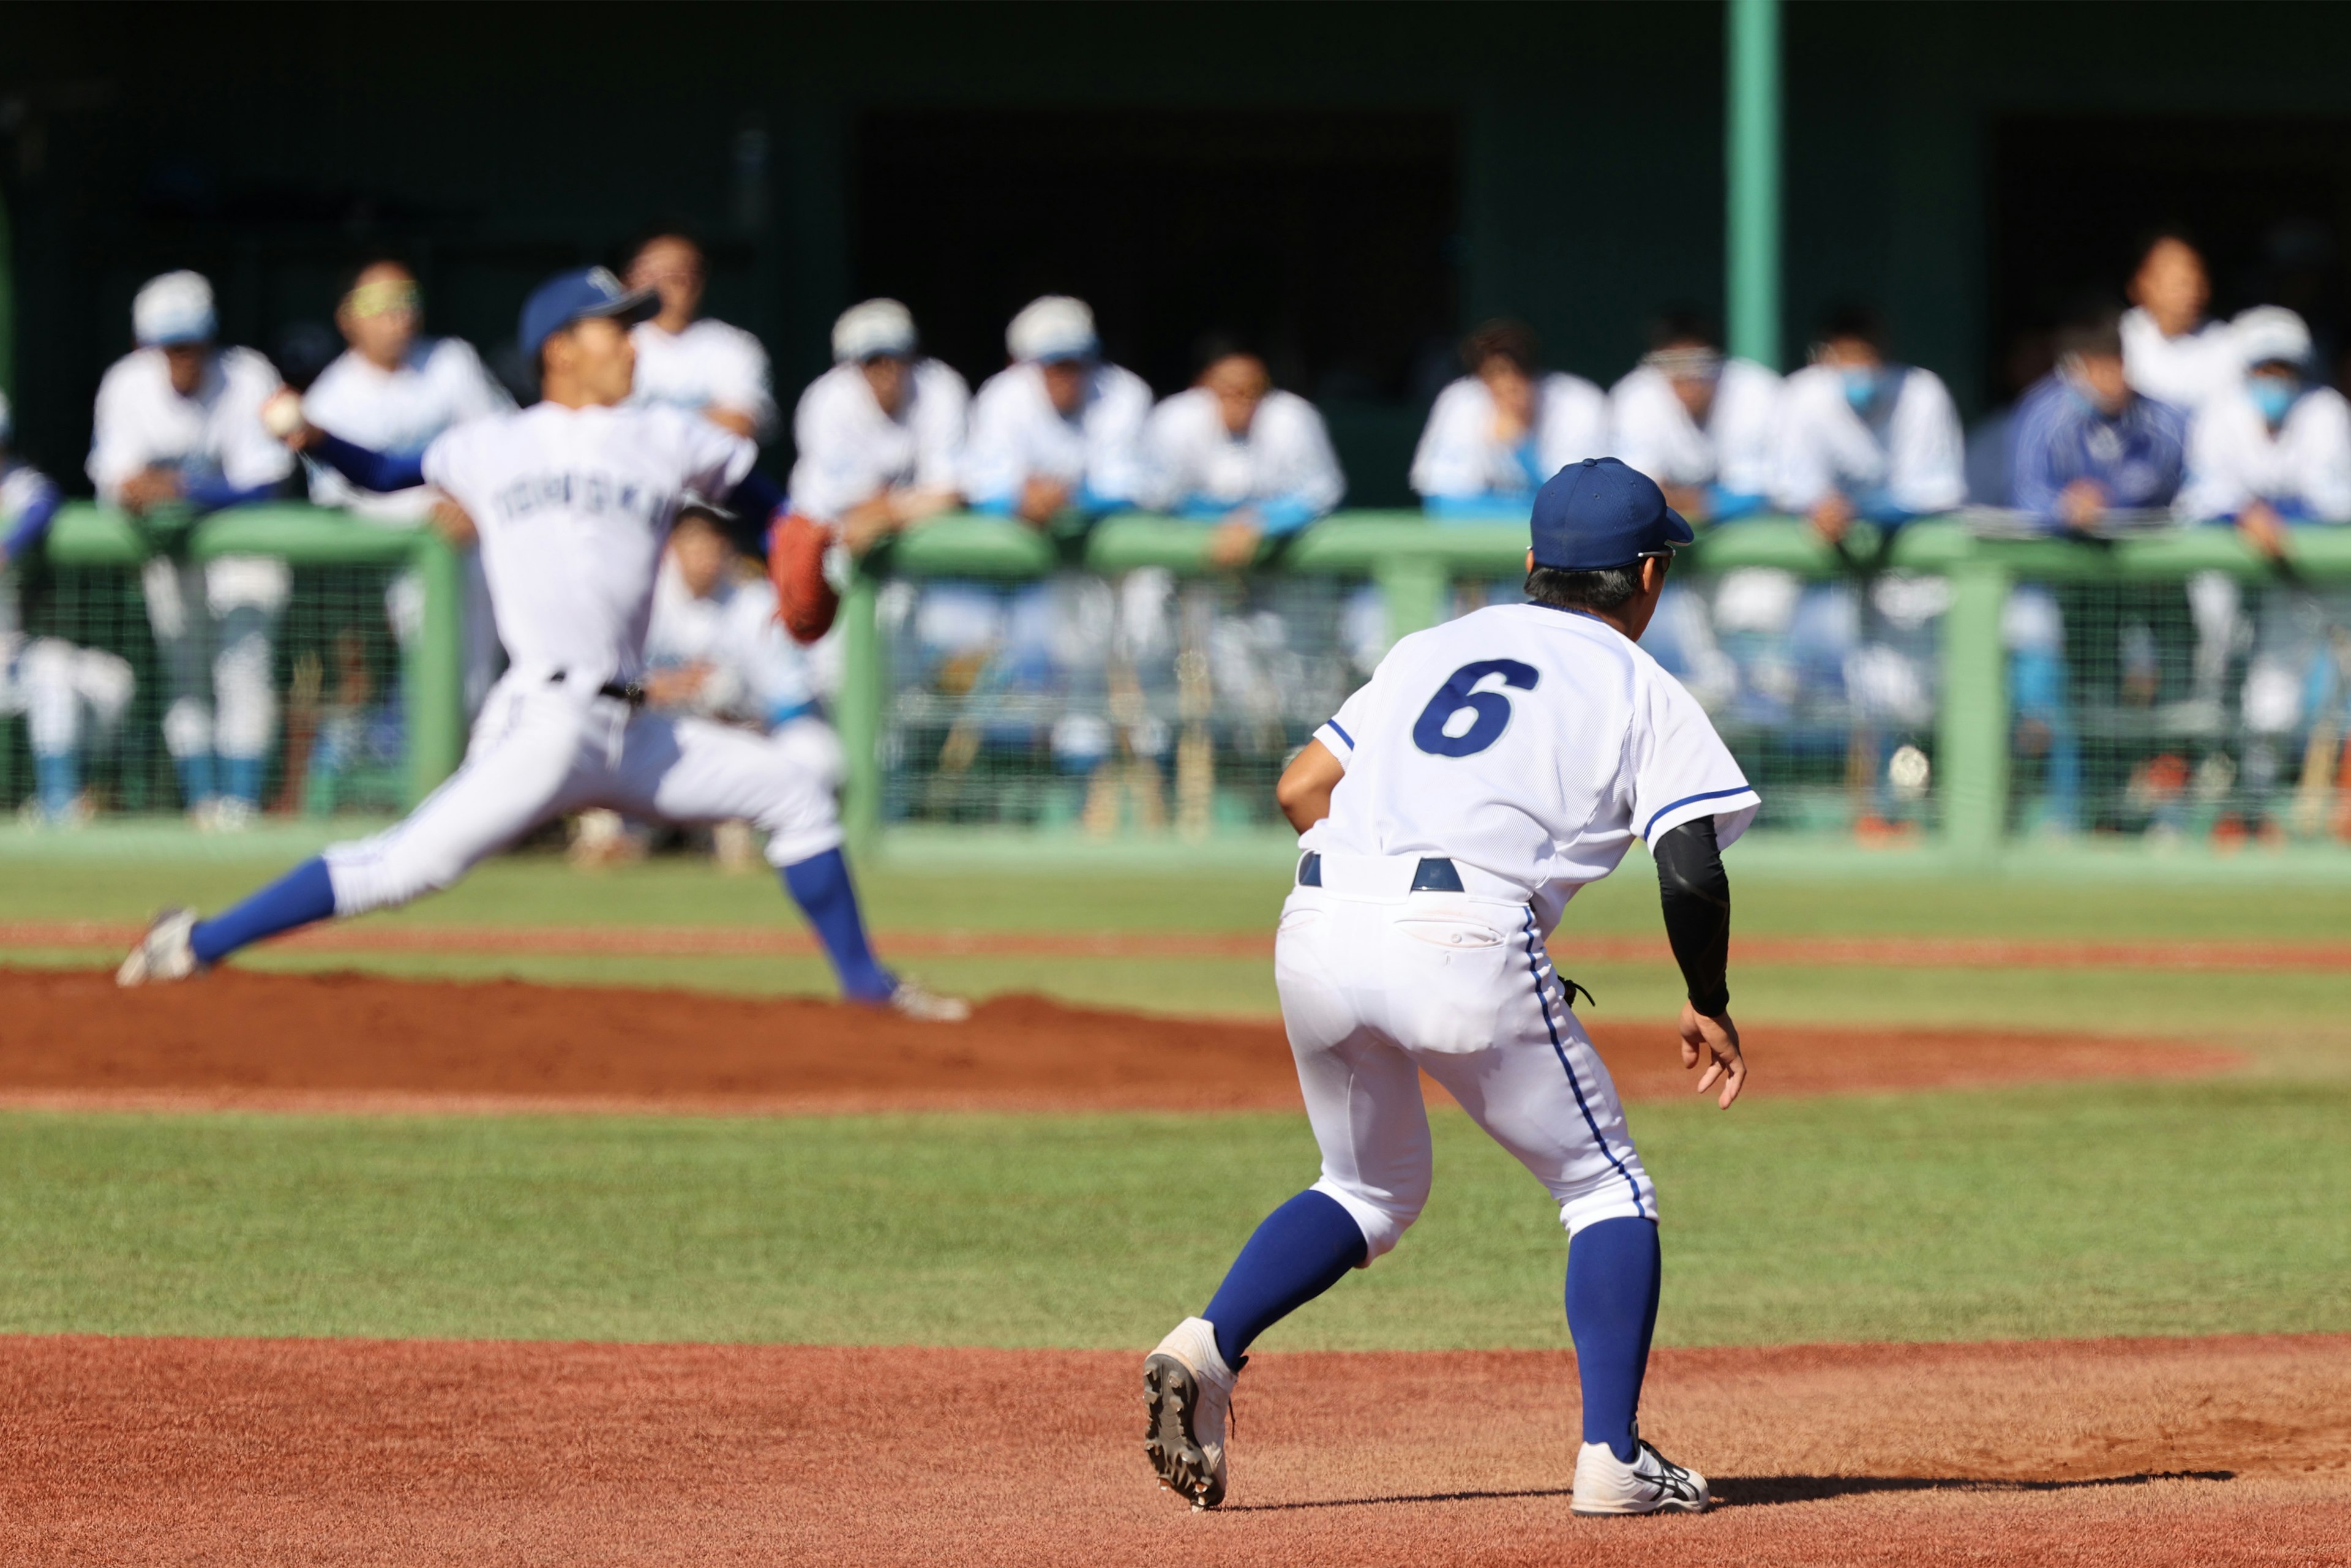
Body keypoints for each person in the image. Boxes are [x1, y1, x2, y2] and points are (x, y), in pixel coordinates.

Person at [1142, 457, 1754, 1516]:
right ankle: (1613, 1459)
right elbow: (1690, 862)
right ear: (1649, 575)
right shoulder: (1640, 684)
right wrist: (1710, 996)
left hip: (1319, 918)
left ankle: (1207, 1344)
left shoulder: (1432, 645)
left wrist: (1392, 904)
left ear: (1531, 564)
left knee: (1367, 1187)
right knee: (1607, 1189)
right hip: (1463, 927)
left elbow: (1301, 786)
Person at [115, 266, 964, 1022]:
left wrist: (798, 541)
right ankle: (193, 942)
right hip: (547, 718)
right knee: (408, 867)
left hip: (637, 729)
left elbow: (775, 507)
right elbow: (382, 472)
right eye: (614, 327)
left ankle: (865, 986)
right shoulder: (492, 442)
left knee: (795, 792)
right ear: (560, 347)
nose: (632, 343)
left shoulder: (671, 434)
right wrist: (317, 439)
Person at [88, 269, 296, 828]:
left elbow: (267, 482)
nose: (183, 358)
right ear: (145, 345)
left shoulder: (247, 375)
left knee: (245, 673)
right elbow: (117, 483)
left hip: (244, 552)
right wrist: (143, 489)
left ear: (210, 339)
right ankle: (204, 805)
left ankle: (243, 805)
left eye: (192, 345)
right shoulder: (126, 384)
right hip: (171, 557)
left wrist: (182, 487)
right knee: (187, 675)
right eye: (170, 346)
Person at [301, 257, 514, 713]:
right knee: (430, 685)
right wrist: (425, 510)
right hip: (397, 565)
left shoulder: (452, 361)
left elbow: (504, 440)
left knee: (482, 685)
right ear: (347, 318)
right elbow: (334, 500)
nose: (398, 315)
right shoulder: (329, 399)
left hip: (479, 543)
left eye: (408, 300)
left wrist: (467, 501)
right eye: (380, 304)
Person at [2178, 306, 2351, 827]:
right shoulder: (2220, 413)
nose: (2273, 381)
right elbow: (2198, 499)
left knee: (2303, 699)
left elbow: (2337, 501)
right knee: (2240, 695)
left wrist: (2273, 514)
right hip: (2249, 583)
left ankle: (2299, 811)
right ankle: (2237, 808)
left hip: (2320, 578)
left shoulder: (2327, 411)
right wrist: (2241, 512)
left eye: (2283, 370)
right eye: (2264, 369)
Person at [637, 499, 841, 868]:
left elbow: (789, 697)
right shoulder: (642, 598)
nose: (704, 553)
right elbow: (609, 688)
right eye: (692, 542)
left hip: (740, 733)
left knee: (817, 753)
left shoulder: (754, 601)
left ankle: (778, 843)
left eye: (712, 541)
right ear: (670, 547)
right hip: (658, 733)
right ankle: (617, 836)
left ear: (726, 547)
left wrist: (742, 715)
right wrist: (660, 688)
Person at [1, 392, 135, 825]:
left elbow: (43, 501)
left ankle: (66, 800)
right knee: (54, 674)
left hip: (9, 656)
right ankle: (61, 801)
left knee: (112, 680)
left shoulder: (15, 482)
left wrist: (7, 548)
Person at [787, 298, 968, 554]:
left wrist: (888, 515)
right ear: (855, 365)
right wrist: (912, 506)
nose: (888, 370)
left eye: (898, 357)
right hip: (825, 530)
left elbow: (949, 496)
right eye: (874, 360)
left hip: (909, 530)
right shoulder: (827, 400)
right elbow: (850, 508)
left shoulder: (941, 387)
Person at [1142, 342, 1344, 567]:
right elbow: (1156, 497)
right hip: (1189, 561)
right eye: (1229, 390)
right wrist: (1224, 522)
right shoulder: (1176, 418)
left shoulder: (1293, 418)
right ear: (1205, 385)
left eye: (1251, 391)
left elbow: (1324, 492)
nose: (1240, 401)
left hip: (1276, 564)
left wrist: (1262, 522)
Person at [962, 294, 1153, 523]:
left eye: (1077, 361)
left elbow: (1133, 489)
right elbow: (982, 487)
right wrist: (1018, 500)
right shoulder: (1002, 394)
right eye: (1056, 363)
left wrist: (1072, 498)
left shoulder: (1124, 393)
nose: (1067, 376)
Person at [2010, 306, 2189, 535]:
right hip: (2064, 553)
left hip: (2143, 553)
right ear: (2076, 368)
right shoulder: (2044, 417)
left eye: (2118, 363)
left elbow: (2190, 494)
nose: (2113, 378)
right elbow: (2025, 494)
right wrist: (2065, 508)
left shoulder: (2165, 421)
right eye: (2101, 367)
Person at [1409, 319, 1608, 520]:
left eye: (1518, 371)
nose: (1507, 385)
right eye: (1493, 373)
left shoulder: (1577, 402)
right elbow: (1443, 504)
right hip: (1484, 540)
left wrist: (1522, 447)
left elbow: (1586, 504)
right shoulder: (1461, 401)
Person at [1607, 312, 1780, 527]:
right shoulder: (1634, 395)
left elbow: (1763, 492)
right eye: (1673, 363)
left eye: (1698, 362)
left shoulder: (1757, 392)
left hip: (1752, 529)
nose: (1688, 376)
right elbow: (1636, 490)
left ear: (1719, 360)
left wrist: (1700, 503)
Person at [624, 230, 778, 443]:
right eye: (653, 274)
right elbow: (597, 423)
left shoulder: (733, 346)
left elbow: (739, 425)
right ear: (630, 277)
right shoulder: (618, 344)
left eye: (679, 276)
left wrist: (644, 427)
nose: (664, 286)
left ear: (700, 279)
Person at [2121, 230, 2239, 416]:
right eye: (2178, 283)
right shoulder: (2118, 337)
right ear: (2143, 282)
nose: (2190, 292)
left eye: (2194, 280)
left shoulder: (2228, 345)